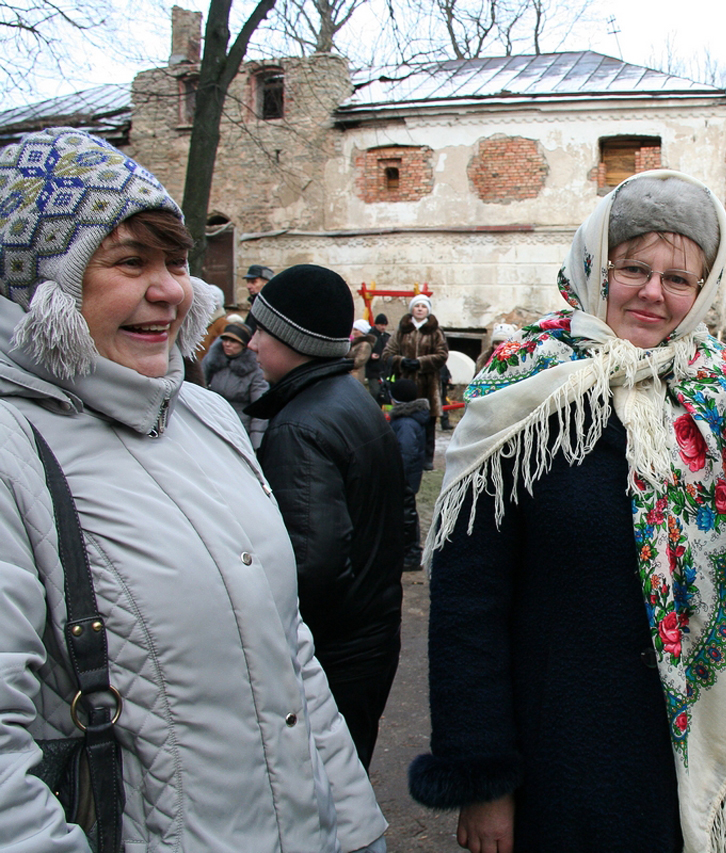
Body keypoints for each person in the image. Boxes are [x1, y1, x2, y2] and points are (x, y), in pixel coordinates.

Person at [410, 170, 726, 853]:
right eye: (633, 268)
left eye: (679, 278)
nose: (653, 292)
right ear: (594, 267)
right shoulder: (522, 388)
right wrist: (483, 777)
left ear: (703, 290)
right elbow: (469, 603)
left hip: (720, 761)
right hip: (569, 758)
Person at [0, 127, 385, 851]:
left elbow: (289, 652)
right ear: (39, 283)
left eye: (177, 262)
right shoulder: (13, 449)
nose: (171, 291)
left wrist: (356, 828)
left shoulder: (206, 416)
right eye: (130, 261)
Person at [245, 264, 405, 770]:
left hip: (333, 654)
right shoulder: (349, 398)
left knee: (321, 787)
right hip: (371, 633)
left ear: (294, 340)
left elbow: (310, 565)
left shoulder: (300, 427)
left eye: (261, 331)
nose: (251, 344)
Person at [385, 293, 448, 469]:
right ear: (412, 309)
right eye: (417, 306)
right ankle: (402, 455)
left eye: (423, 306)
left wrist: (421, 362)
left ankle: (427, 458)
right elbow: (387, 353)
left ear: (428, 310)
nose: (420, 309)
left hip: (428, 383)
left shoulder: (436, 332)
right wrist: (401, 361)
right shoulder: (401, 330)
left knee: (428, 423)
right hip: (405, 384)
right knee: (404, 421)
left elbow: (442, 355)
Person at [200, 319, 269, 448]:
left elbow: (259, 407)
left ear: (244, 344)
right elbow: (199, 389)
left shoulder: (255, 370)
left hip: (239, 429)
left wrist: (256, 444)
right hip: (213, 423)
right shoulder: (212, 362)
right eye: (225, 340)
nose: (227, 344)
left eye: (233, 341)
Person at [388, 378, 433, 571]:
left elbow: (406, 452)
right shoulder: (408, 420)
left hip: (404, 477)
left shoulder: (405, 423)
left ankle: (411, 554)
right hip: (407, 475)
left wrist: (398, 475)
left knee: (406, 515)